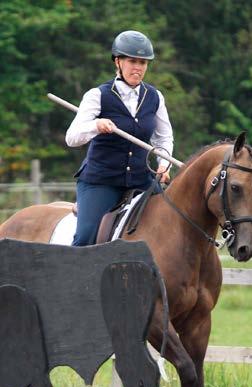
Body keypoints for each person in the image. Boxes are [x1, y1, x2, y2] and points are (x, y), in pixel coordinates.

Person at [65, 30, 174, 246]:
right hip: (101, 181)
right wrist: (95, 125)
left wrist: (164, 164)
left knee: (174, 223)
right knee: (85, 236)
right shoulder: (97, 95)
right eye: (132, 61)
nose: (138, 67)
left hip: (142, 180)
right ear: (118, 61)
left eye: (143, 62)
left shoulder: (155, 97)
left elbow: (163, 139)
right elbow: (72, 137)